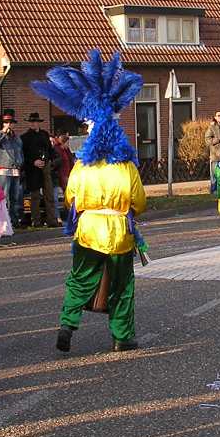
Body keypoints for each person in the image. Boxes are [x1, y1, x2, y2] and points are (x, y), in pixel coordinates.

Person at [31, 50, 147, 354]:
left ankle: (67, 325)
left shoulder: (82, 166)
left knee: (80, 279)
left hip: (88, 230)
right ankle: (122, 337)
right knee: (122, 286)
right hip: (119, 232)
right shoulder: (126, 166)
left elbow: (71, 197)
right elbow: (139, 202)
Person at [21, 112, 58, 227]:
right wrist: (33, 161)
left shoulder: (44, 134)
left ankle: (52, 220)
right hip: (32, 169)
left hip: (45, 166)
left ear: (38, 123)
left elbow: (50, 150)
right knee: (35, 196)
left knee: (49, 195)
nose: (33, 124)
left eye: (35, 121)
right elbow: (23, 155)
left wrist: (51, 161)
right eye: (31, 122)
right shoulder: (25, 137)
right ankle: (36, 221)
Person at [0, 108, 24, 226]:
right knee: (3, 196)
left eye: (11, 122)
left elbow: (20, 152)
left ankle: (14, 220)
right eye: (6, 122)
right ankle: (3, 221)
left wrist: (20, 163)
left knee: (15, 197)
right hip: (4, 170)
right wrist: (4, 132)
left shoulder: (17, 138)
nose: (9, 125)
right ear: (3, 124)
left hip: (15, 170)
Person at [50, 131, 75, 220]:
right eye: (67, 143)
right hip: (60, 177)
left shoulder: (66, 150)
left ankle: (69, 215)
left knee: (68, 197)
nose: (68, 144)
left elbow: (71, 162)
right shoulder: (57, 150)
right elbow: (58, 164)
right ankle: (58, 216)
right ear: (63, 142)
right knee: (57, 197)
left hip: (67, 176)